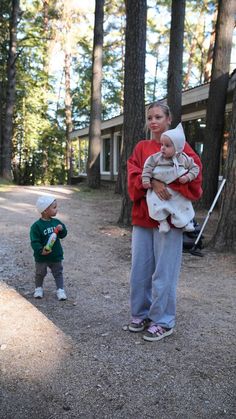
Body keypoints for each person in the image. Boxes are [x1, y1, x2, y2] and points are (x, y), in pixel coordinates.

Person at [127, 102, 202, 342]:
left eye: (158, 116)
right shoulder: (142, 147)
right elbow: (133, 175)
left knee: (164, 272)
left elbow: (193, 173)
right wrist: (153, 182)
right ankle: (140, 313)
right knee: (140, 270)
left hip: (170, 220)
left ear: (169, 119)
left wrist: (165, 182)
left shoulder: (181, 145)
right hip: (142, 217)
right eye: (150, 117)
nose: (153, 121)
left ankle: (163, 320)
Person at [142, 122, 199, 233]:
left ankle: (186, 222)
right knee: (154, 202)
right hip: (158, 186)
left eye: (167, 146)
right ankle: (162, 222)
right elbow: (147, 167)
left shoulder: (184, 159)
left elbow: (195, 168)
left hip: (175, 189)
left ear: (178, 148)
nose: (162, 148)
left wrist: (188, 177)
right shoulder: (156, 157)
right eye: (162, 145)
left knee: (182, 202)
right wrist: (146, 179)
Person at [30, 195, 68, 301]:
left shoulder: (56, 223)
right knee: (40, 273)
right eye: (54, 207)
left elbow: (63, 235)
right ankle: (38, 288)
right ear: (45, 210)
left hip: (55, 255)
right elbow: (34, 241)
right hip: (42, 257)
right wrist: (40, 250)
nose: (57, 209)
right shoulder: (36, 226)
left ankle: (60, 290)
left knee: (58, 273)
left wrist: (62, 229)